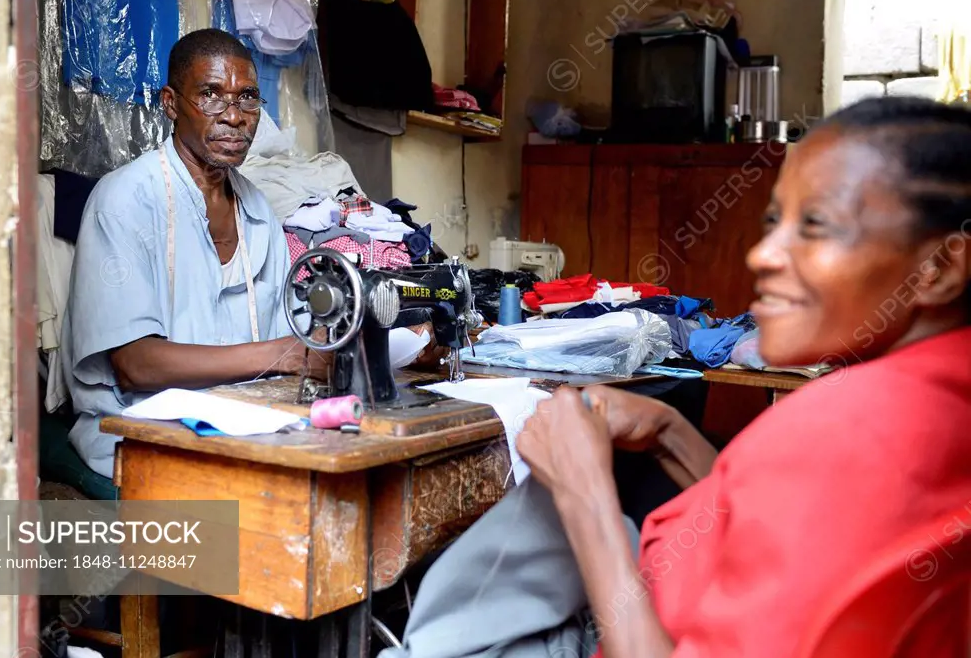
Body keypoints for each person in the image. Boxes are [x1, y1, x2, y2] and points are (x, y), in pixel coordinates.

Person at [379, 97, 971, 658]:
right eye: (774, 222)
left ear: (940, 266)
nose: (763, 255)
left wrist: (583, 492)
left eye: (814, 226)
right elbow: (769, 532)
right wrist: (668, 432)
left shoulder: (853, 427)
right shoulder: (935, 399)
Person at [61, 29, 433, 483]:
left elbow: (294, 329)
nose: (235, 117)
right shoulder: (125, 200)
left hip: (246, 419)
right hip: (141, 429)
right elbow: (136, 364)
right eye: (211, 96)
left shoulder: (256, 208)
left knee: (385, 460)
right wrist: (288, 355)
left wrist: (380, 335)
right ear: (171, 104)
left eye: (248, 98)